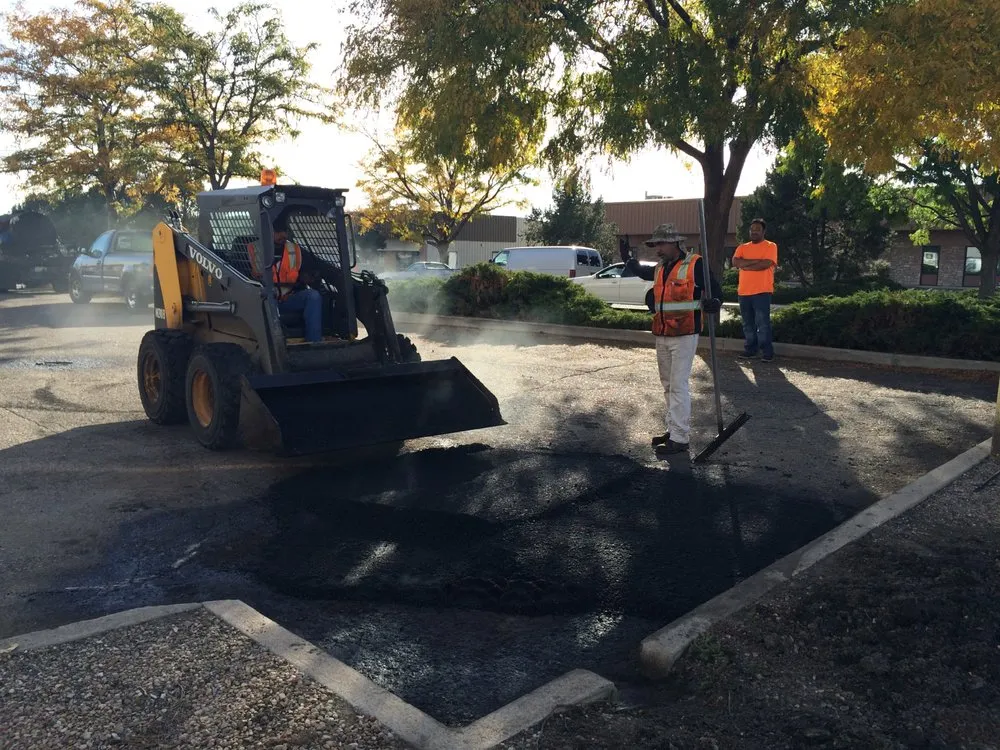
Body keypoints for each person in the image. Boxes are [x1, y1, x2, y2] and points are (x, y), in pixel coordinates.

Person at [624, 223, 723, 457]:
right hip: (662, 333)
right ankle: (673, 429)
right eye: (655, 244)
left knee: (678, 385)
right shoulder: (661, 267)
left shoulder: (695, 264)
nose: (657, 249)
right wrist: (629, 261)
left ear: (675, 243)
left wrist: (715, 301)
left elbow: (715, 288)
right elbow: (644, 273)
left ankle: (680, 438)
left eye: (661, 244)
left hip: (685, 334)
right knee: (668, 385)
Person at [247, 216, 323, 343]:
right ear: (266, 231)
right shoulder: (253, 250)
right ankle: (275, 343)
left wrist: (308, 277)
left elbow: (304, 272)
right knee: (268, 298)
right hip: (264, 301)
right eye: (278, 231)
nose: (283, 235)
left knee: (313, 296)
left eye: (284, 231)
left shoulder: (294, 250)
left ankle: (314, 343)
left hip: (288, 299)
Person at [732, 218, 778, 362]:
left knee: (762, 323)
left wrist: (745, 265)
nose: (754, 232)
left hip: (762, 291)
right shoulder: (742, 247)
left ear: (764, 231)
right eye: (752, 229)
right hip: (744, 292)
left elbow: (765, 264)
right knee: (747, 324)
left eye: (757, 229)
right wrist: (756, 261)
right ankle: (751, 350)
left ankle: (767, 352)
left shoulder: (770, 246)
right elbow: (735, 262)